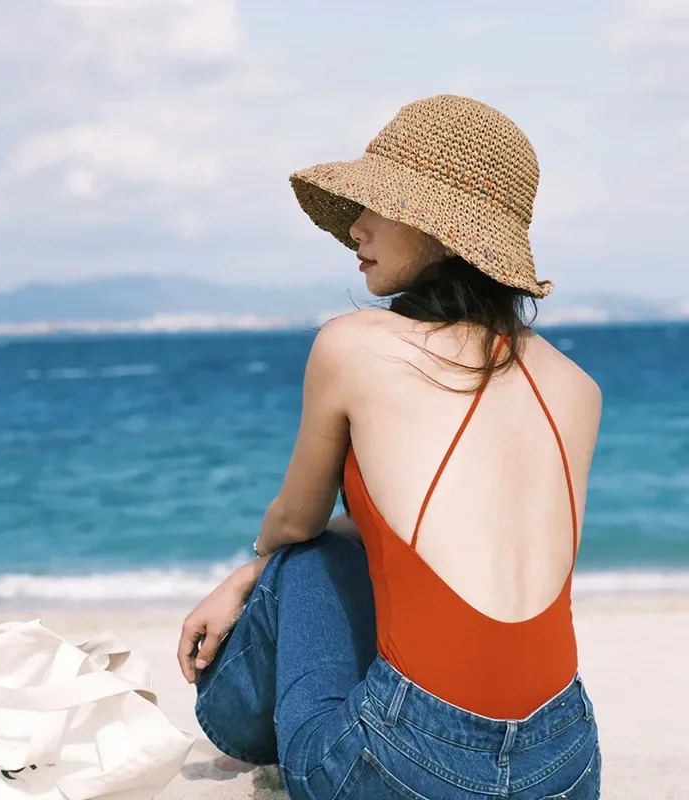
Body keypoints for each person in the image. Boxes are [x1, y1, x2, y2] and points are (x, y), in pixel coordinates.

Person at [177, 95, 603, 799]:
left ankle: (244, 743)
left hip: (408, 764)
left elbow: (295, 524)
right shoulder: (577, 386)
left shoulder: (353, 346)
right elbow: (452, 536)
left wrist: (248, 573)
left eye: (378, 204)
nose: (356, 227)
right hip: (564, 764)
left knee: (302, 558)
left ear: (441, 231)